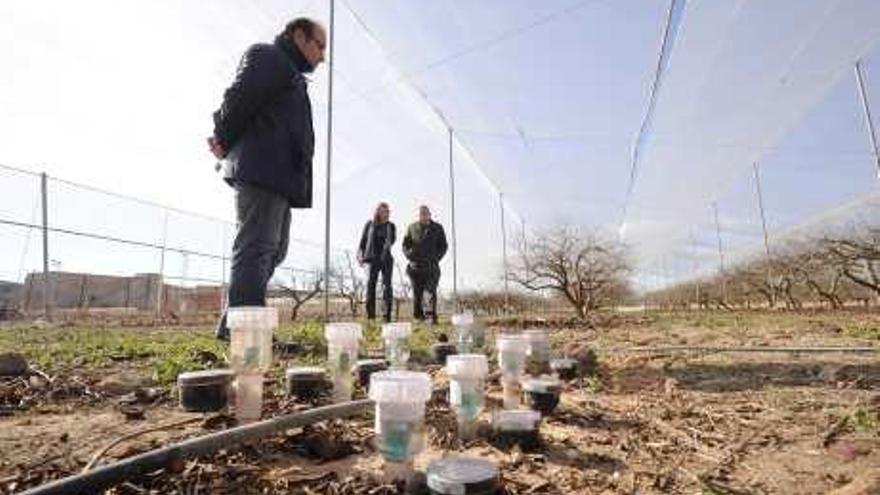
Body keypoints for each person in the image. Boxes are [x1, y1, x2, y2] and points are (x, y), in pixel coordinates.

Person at [209, 18, 326, 340]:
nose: (322, 56)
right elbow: (239, 97)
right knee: (257, 247)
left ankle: (235, 322)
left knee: (274, 250)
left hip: (278, 177)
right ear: (298, 36)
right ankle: (246, 334)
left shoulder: (290, 74)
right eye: (320, 45)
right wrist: (223, 136)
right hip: (262, 169)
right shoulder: (269, 57)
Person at [403, 206, 448, 324]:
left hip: (431, 267)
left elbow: (443, 246)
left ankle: (431, 317)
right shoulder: (412, 227)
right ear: (418, 215)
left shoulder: (437, 228)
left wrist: (436, 258)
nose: (423, 216)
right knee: (417, 293)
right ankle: (418, 317)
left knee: (430, 291)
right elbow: (405, 245)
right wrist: (410, 255)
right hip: (415, 267)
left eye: (425, 213)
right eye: (421, 214)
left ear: (429, 214)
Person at [357, 202, 396, 322]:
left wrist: (386, 239)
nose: (386, 213)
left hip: (385, 259)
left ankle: (386, 316)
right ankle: (371, 317)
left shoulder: (391, 226)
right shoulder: (369, 224)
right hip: (371, 259)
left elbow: (392, 241)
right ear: (378, 212)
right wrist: (360, 254)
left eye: (387, 211)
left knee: (387, 286)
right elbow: (363, 241)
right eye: (383, 211)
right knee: (370, 286)